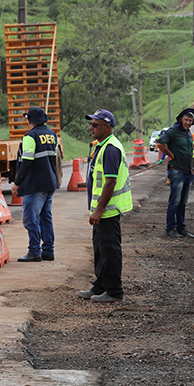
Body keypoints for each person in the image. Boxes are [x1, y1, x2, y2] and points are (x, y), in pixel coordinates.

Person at [76, 109, 132, 303]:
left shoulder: (110, 149)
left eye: (95, 125)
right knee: (100, 250)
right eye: (90, 124)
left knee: (110, 251)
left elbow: (110, 182)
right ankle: (100, 285)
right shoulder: (102, 146)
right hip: (101, 210)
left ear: (107, 127)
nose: (90, 128)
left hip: (108, 210)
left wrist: (99, 210)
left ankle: (114, 291)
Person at [13, 106, 59, 262]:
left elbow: (26, 162)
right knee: (46, 217)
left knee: (30, 218)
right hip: (49, 183)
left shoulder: (30, 137)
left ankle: (34, 251)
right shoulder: (52, 135)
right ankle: (48, 250)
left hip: (35, 185)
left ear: (30, 121)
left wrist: (17, 183)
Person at [155, 107, 194, 237]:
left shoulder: (188, 133)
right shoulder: (173, 131)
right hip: (176, 171)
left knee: (183, 202)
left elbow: (190, 150)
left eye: (190, 120)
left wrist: (191, 168)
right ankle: (170, 228)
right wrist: (170, 154)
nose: (188, 122)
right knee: (175, 201)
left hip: (187, 172)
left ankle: (181, 228)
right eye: (186, 120)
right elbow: (160, 143)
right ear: (181, 119)